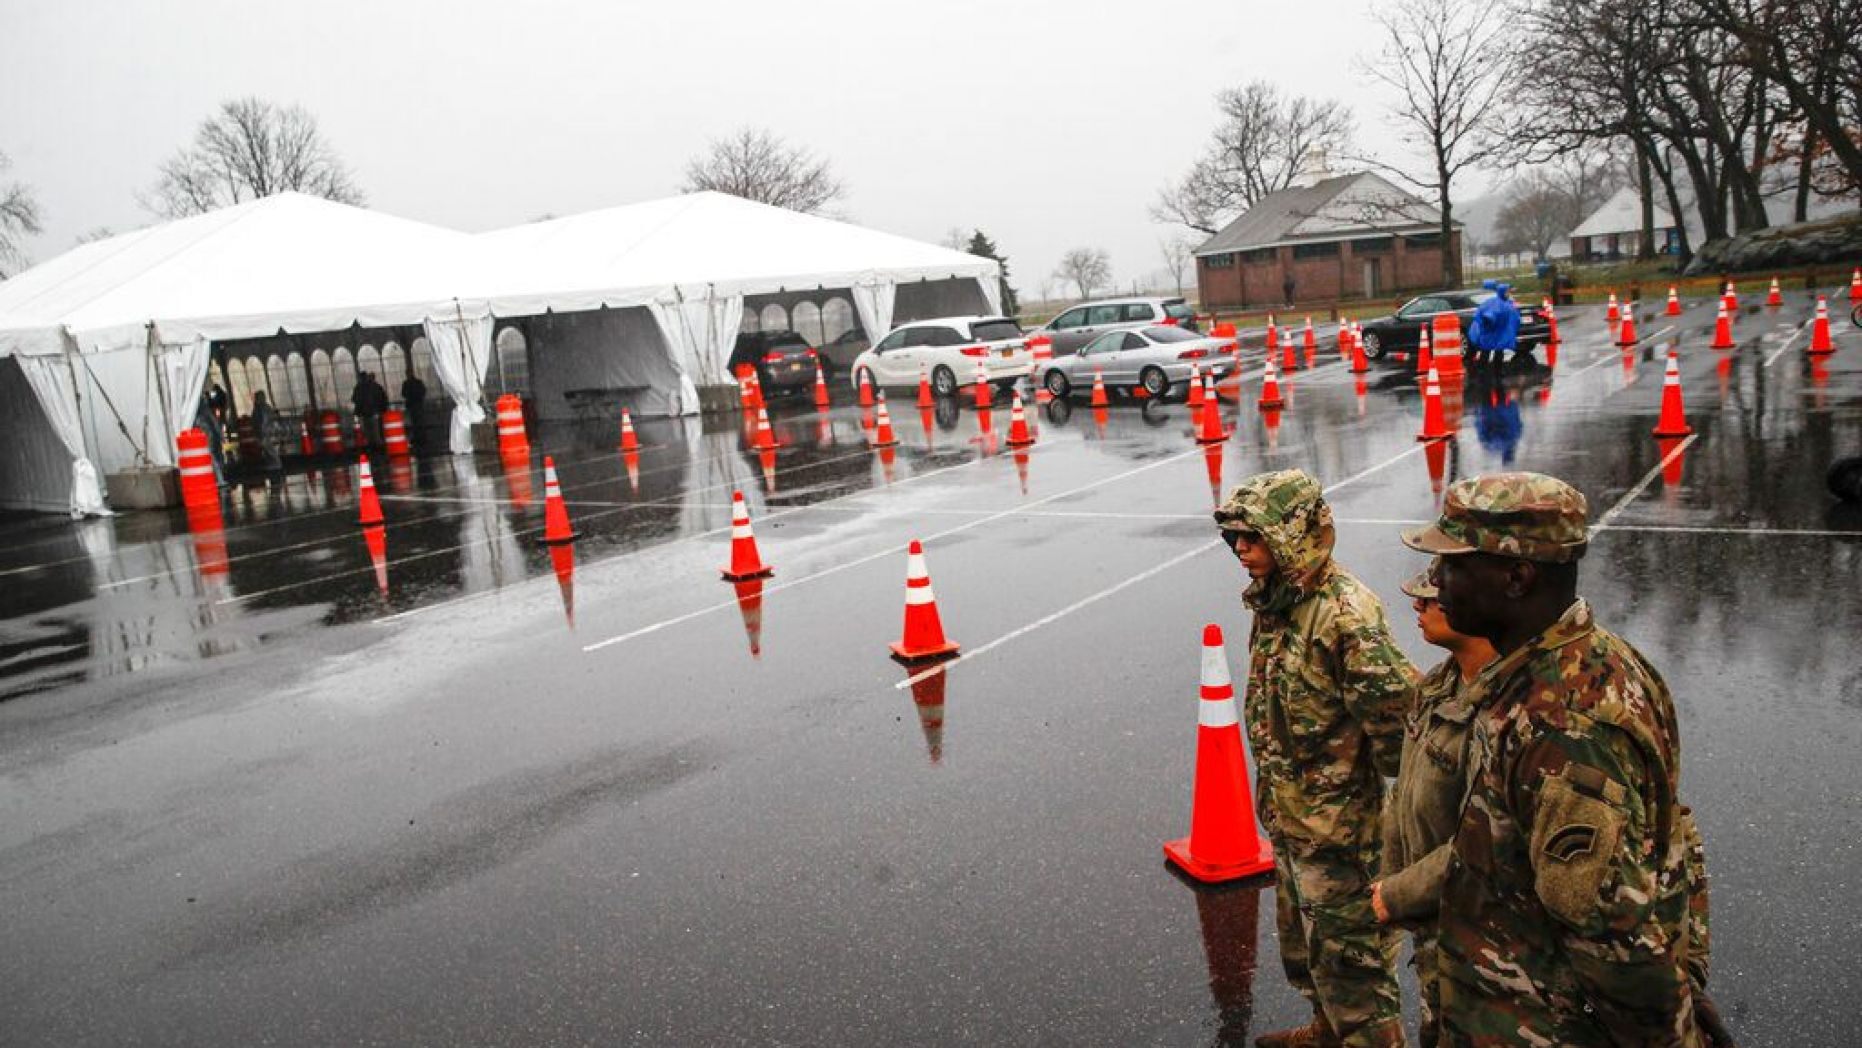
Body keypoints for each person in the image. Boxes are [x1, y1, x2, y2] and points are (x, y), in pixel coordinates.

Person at [1400, 473, 1727, 1047]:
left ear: (1517, 577)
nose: (1437, 581)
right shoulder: (1569, 666)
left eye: (1453, 564)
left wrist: (1677, 1033)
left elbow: (1612, 938)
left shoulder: (1561, 725)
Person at [1214, 470, 1415, 1048]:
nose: (1241, 551)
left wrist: (1389, 836)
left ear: (1293, 537)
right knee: (1305, 949)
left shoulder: (1344, 616)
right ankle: (1327, 1031)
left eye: (1252, 538)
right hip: (1294, 820)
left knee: (1356, 973)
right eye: (1235, 540)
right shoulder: (1278, 603)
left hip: (1342, 838)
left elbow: (1400, 729)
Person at [1368, 560, 1497, 1048]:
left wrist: (1396, 894)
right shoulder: (1435, 688)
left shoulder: (1504, 709)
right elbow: (1406, 795)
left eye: (1430, 598)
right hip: (1433, 928)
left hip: (1480, 941)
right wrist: (1392, 880)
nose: (1416, 606)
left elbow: (1489, 839)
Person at [1466, 280, 1520, 371]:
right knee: (1487, 352)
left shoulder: (1505, 303)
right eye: (1507, 292)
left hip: (1498, 333)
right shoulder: (1497, 303)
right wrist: (1489, 321)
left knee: (1497, 352)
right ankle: (1484, 372)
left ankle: (1495, 371)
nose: (1508, 294)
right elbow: (1487, 315)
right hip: (1492, 333)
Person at [352, 371, 388, 448]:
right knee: (375, 430)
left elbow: (354, 399)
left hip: (364, 413)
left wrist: (358, 411)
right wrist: (381, 409)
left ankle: (371, 445)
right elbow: (381, 398)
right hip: (374, 411)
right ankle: (377, 445)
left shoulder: (358, 387)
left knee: (367, 430)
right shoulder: (374, 386)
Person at [249, 390, 283, 472]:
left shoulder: (262, 408)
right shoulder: (261, 407)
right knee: (267, 448)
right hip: (263, 432)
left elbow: (264, 421)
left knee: (269, 448)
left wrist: (262, 432)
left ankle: (276, 464)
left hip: (264, 432)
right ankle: (272, 463)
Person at [401, 373, 428, 451]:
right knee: (420, 421)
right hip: (418, 404)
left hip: (411, 405)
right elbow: (423, 391)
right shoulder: (418, 382)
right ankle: (422, 438)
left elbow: (403, 394)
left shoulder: (406, 383)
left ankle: (417, 438)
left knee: (414, 422)